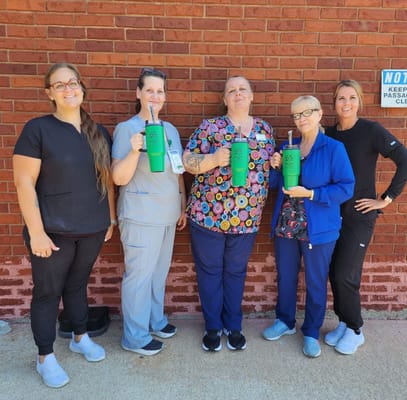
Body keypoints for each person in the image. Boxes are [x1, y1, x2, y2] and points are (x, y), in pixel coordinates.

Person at [12, 62, 116, 388]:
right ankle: (45, 357)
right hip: (52, 232)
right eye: (59, 85)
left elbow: (107, 181)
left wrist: (110, 218)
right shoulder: (37, 129)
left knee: (77, 285)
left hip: (93, 227)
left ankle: (79, 336)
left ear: (82, 88)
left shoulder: (98, 132)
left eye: (73, 83)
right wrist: (37, 232)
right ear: (49, 93)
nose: (68, 89)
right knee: (47, 293)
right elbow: (24, 183)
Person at [183, 76, 275, 352]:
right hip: (208, 214)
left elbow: (272, 164)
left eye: (243, 89)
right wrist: (212, 160)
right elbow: (187, 162)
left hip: (247, 217)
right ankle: (213, 327)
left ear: (252, 96)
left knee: (236, 272)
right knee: (209, 271)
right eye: (231, 91)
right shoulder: (210, 127)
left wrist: (277, 163)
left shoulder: (264, 129)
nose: (238, 94)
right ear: (224, 99)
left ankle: (233, 325)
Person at [324, 79, 407, 355]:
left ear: (359, 101)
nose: (347, 103)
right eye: (341, 98)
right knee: (334, 272)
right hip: (333, 215)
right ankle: (344, 321)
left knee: (345, 274)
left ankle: (355, 329)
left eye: (352, 97)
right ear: (334, 103)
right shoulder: (329, 134)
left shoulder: (371, 130)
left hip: (360, 216)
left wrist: (384, 200)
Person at [262, 95, 355, 358]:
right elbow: (273, 185)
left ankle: (312, 331)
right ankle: (285, 321)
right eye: (296, 115)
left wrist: (312, 194)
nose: (301, 119)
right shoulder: (288, 145)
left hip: (318, 228)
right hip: (286, 225)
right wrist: (274, 168)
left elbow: (346, 187)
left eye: (306, 113)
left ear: (319, 114)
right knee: (286, 276)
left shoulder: (333, 148)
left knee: (315, 281)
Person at [111, 67, 187, 356]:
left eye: (160, 91)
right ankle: (134, 336)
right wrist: (133, 151)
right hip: (141, 214)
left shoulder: (170, 130)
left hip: (168, 213)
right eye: (150, 90)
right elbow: (117, 177)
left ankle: (155, 320)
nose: (155, 95)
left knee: (158, 274)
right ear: (138, 93)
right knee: (139, 276)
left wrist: (182, 202)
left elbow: (177, 170)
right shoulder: (127, 129)